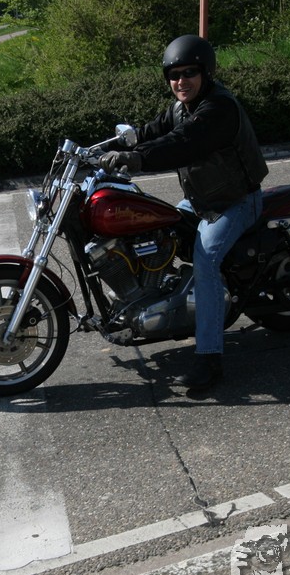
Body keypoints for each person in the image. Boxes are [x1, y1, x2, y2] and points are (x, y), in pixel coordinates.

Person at [100, 35, 269, 392]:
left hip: (235, 201)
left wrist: (137, 159)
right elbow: (152, 131)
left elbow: (181, 143)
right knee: (153, 229)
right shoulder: (180, 108)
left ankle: (210, 358)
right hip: (201, 200)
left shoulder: (218, 108)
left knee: (205, 261)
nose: (181, 81)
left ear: (206, 73)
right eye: (174, 75)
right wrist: (108, 147)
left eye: (189, 73)